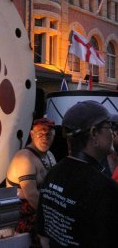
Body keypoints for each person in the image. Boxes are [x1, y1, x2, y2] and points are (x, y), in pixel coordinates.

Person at [37, 100, 118, 248]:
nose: (113, 132)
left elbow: (44, 237)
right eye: (109, 126)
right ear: (94, 133)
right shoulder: (104, 189)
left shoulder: (52, 174)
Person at [6, 118, 56, 246]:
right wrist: (54, 214)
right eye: (40, 134)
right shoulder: (24, 158)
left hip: (42, 206)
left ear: (54, 135)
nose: (44, 138)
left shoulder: (50, 155)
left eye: (48, 134)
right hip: (22, 212)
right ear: (32, 135)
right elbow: (32, 196)